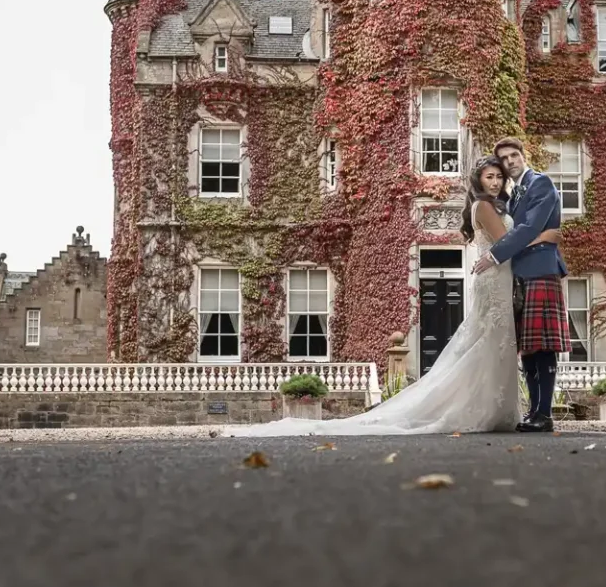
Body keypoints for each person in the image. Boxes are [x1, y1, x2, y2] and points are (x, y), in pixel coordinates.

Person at [230, 156, 560, 437]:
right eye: (489, 176)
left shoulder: (495, 204)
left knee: (493, 344)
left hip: (497, 279)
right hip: (495, 280)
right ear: (478, 179)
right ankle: (484, 410)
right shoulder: (485, 207)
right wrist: (545, 234)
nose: (495, 181)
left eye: (499, 176)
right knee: (490, 343)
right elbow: (510, 242)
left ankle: (498, 409)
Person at [471, 136, 569, 432]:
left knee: (543, 345)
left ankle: (544, 413)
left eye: (514, 156)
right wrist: (543, 237)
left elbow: (528, 228)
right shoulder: (512, 195)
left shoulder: (540, 183)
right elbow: (528, 232)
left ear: (523, 156)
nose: (510, 162)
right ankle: (534, 412)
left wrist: (494, 254)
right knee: (527, 346)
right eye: (504, 159)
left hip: (540, 270)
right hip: (520, 274)